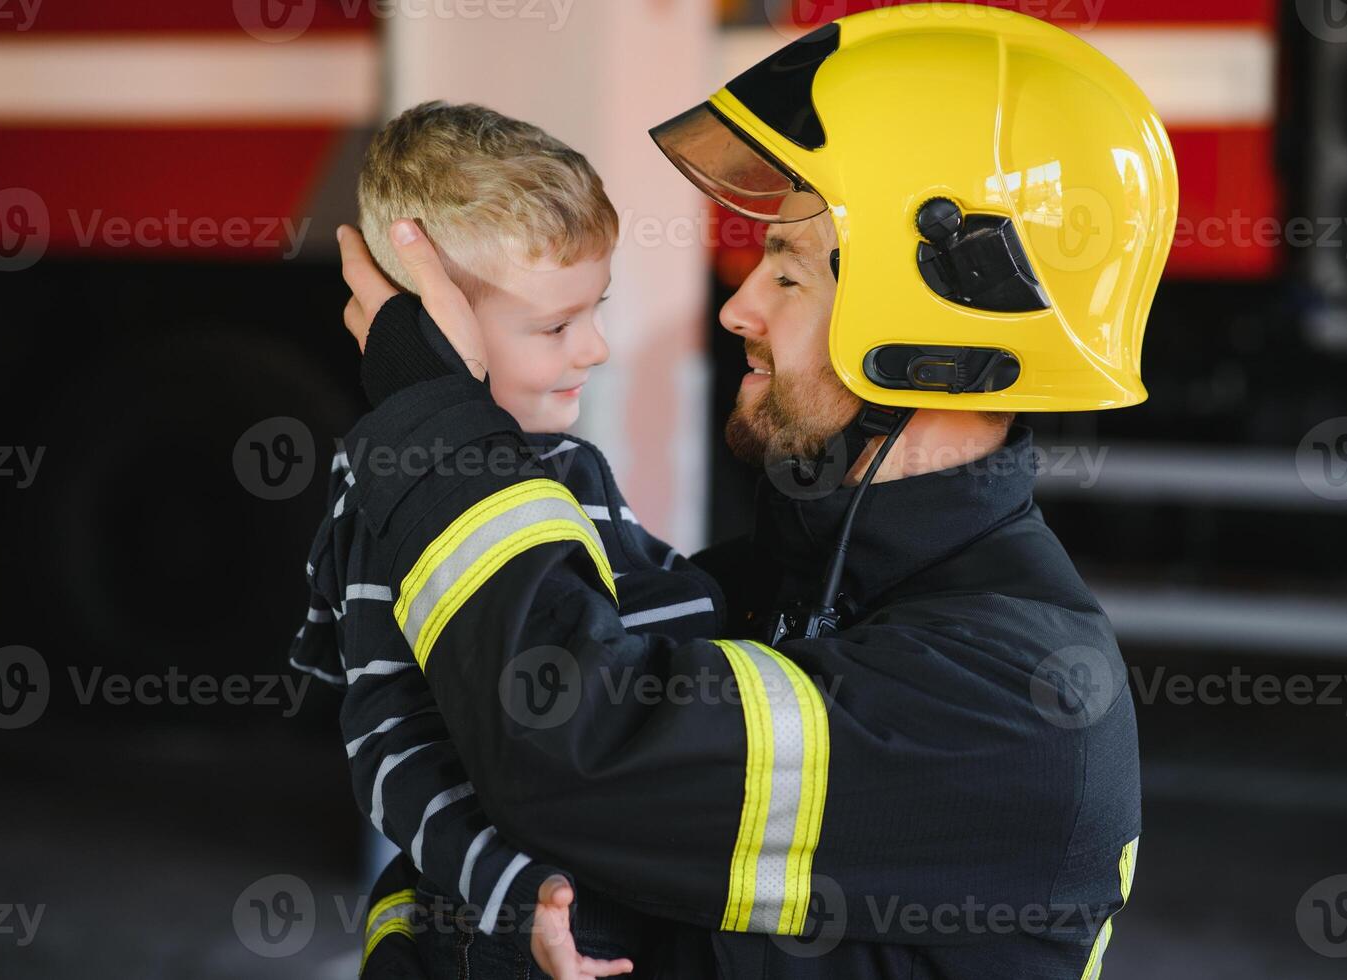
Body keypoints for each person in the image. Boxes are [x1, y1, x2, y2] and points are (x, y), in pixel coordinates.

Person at [329, 5, 1177, 978]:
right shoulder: (794, 584)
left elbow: (568, 745)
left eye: (787, 270)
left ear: (935, 328)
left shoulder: (1021, 697)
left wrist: (439, 418)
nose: (738, 305)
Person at [290, 101, 727, 979]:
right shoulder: (399, 504)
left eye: (593, 310)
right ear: (429, 322)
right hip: (512, 931)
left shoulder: (562, 463)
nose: (594, 347)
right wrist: (512, 894)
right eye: (553, 327)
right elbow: (389, 743)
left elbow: (646, 615)